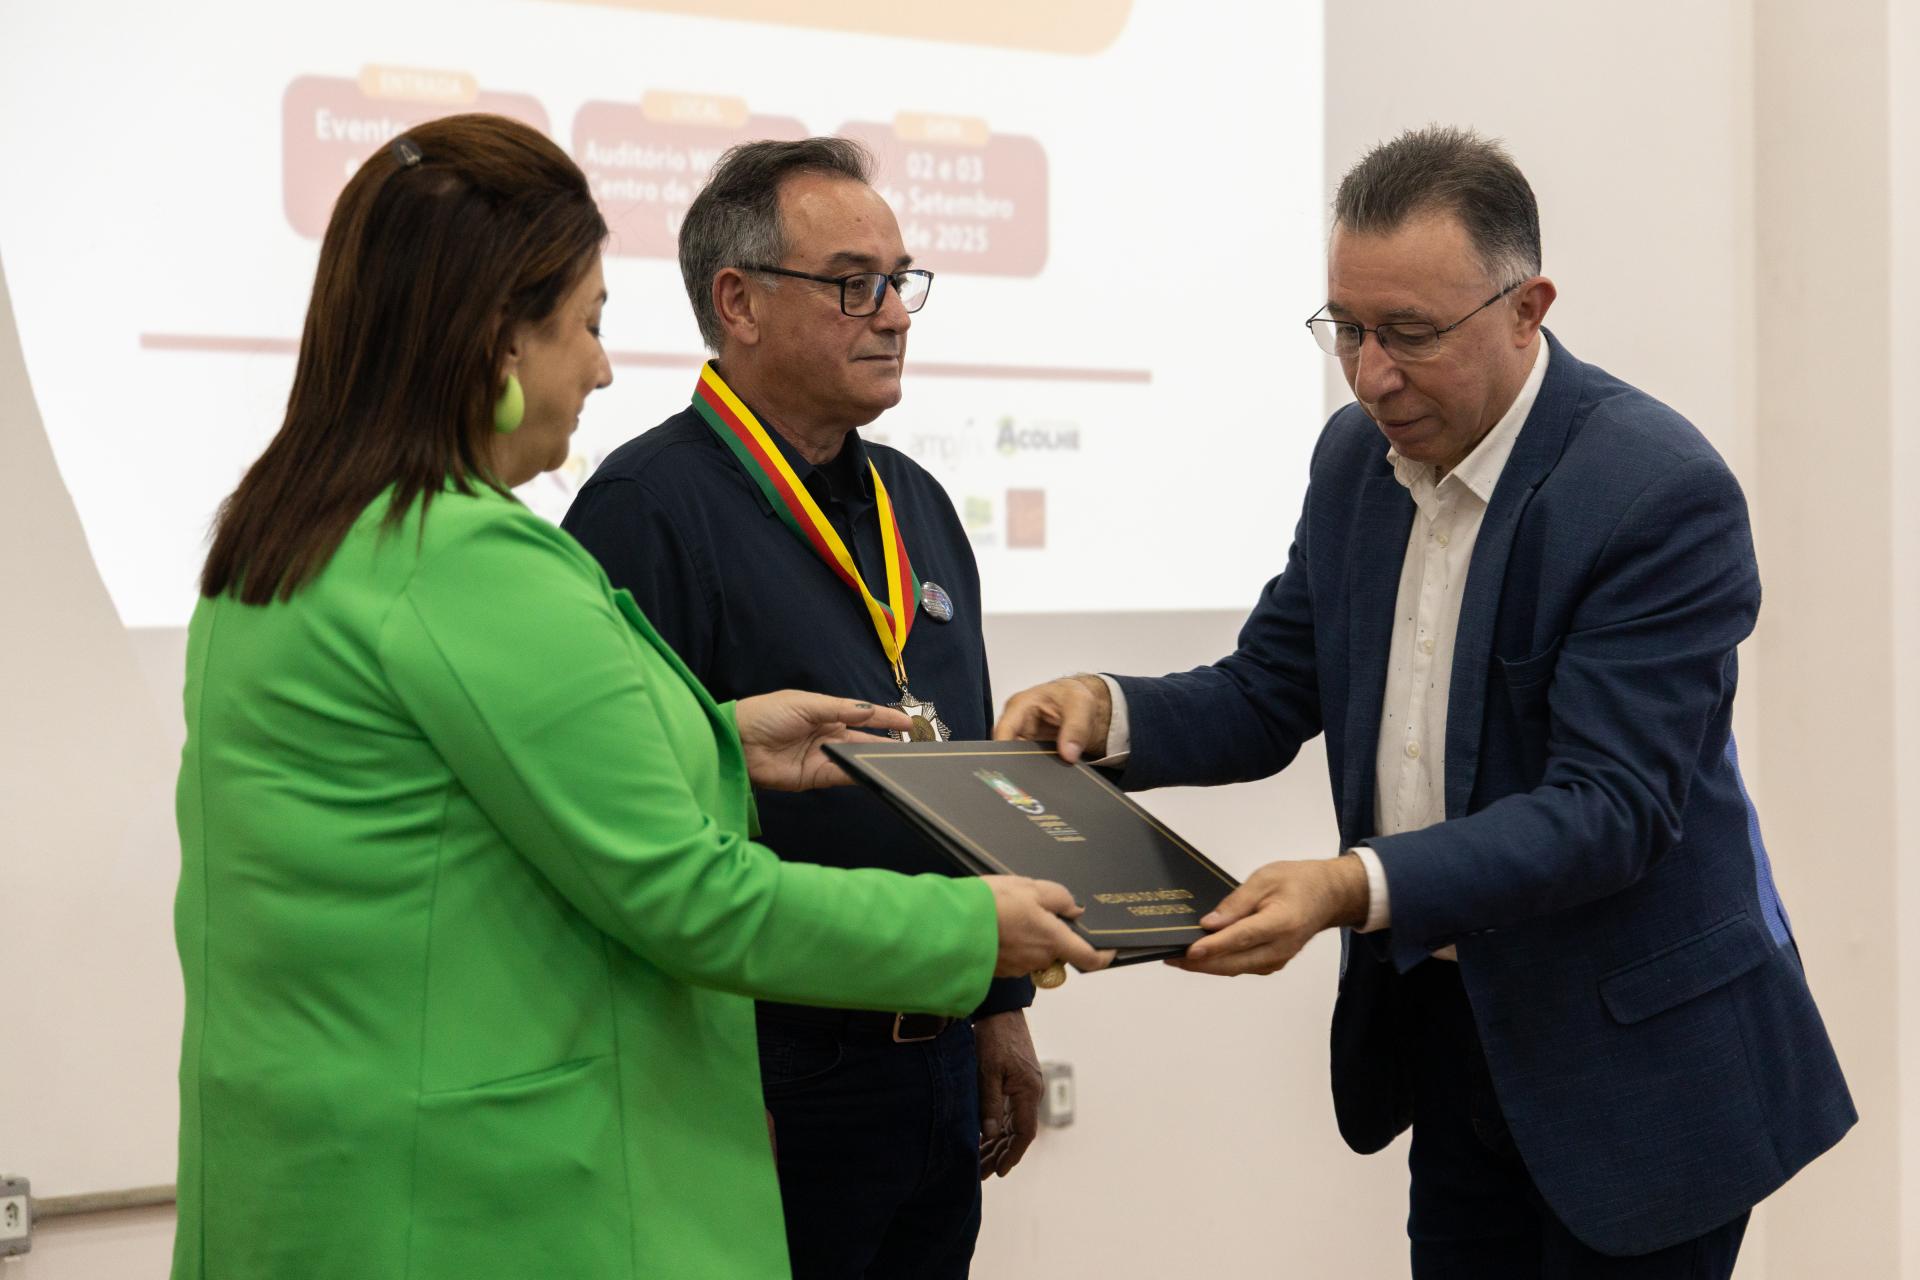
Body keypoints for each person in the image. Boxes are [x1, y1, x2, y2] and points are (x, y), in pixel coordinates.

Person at [171, 113, 1103, 1280]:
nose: (603, 366)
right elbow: (684, 892)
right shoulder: (464, 556)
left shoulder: (293, 534)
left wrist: (720, 737)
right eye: (589, 324)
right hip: (460, 1195)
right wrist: (976, 931)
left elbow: (475, 779)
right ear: (496, 342)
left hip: (323, 1168)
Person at [996, 126, 1854, 1278]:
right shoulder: (1355, 462)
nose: (1370, 374)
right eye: (1346, 329)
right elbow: (1269, 690)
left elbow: (1608, 807)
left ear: (1526, 307)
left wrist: (1351, 887)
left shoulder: (1655, 492)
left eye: (1409, 334)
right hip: (1454, 1036)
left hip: (1643, 1065)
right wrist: (1107, 711)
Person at [561, 137, 1038, 1278]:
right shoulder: (644, 509)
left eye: (901, 278)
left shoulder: (914, 498)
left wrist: (1000, 1005)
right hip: (770, 1074)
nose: (893, 313)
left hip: (932, 1062)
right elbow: (638, 833)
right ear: (739, 303)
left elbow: (960, 765)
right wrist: (721, 1088)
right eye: (851, 283)